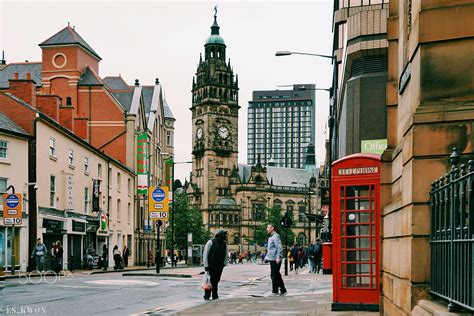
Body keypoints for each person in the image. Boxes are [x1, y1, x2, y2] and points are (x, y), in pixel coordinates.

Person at [202, 230, 228, 301]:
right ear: (219, 235)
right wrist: (206, 265)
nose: (225, 236)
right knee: (210, 280)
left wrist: (224, 263)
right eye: (224, 235)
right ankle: (207, 295)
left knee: (216, 280)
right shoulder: (210, 242)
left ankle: (215, 295)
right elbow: (206, 254)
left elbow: (225, 254)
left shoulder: (224, 243)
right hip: (211, 265)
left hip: (219, 266)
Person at [264, 224, 287, 296]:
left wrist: (278, 257)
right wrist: (266, 258)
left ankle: (275, 291)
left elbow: (279, 247)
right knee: (276, 275)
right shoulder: (272, 236)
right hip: (272, 258)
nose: (266, 229)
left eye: (268, 227)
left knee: (274, 275)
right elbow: (270, 249)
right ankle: (283, 290)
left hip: (275, 259)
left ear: (272, 228)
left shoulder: (275, 236)